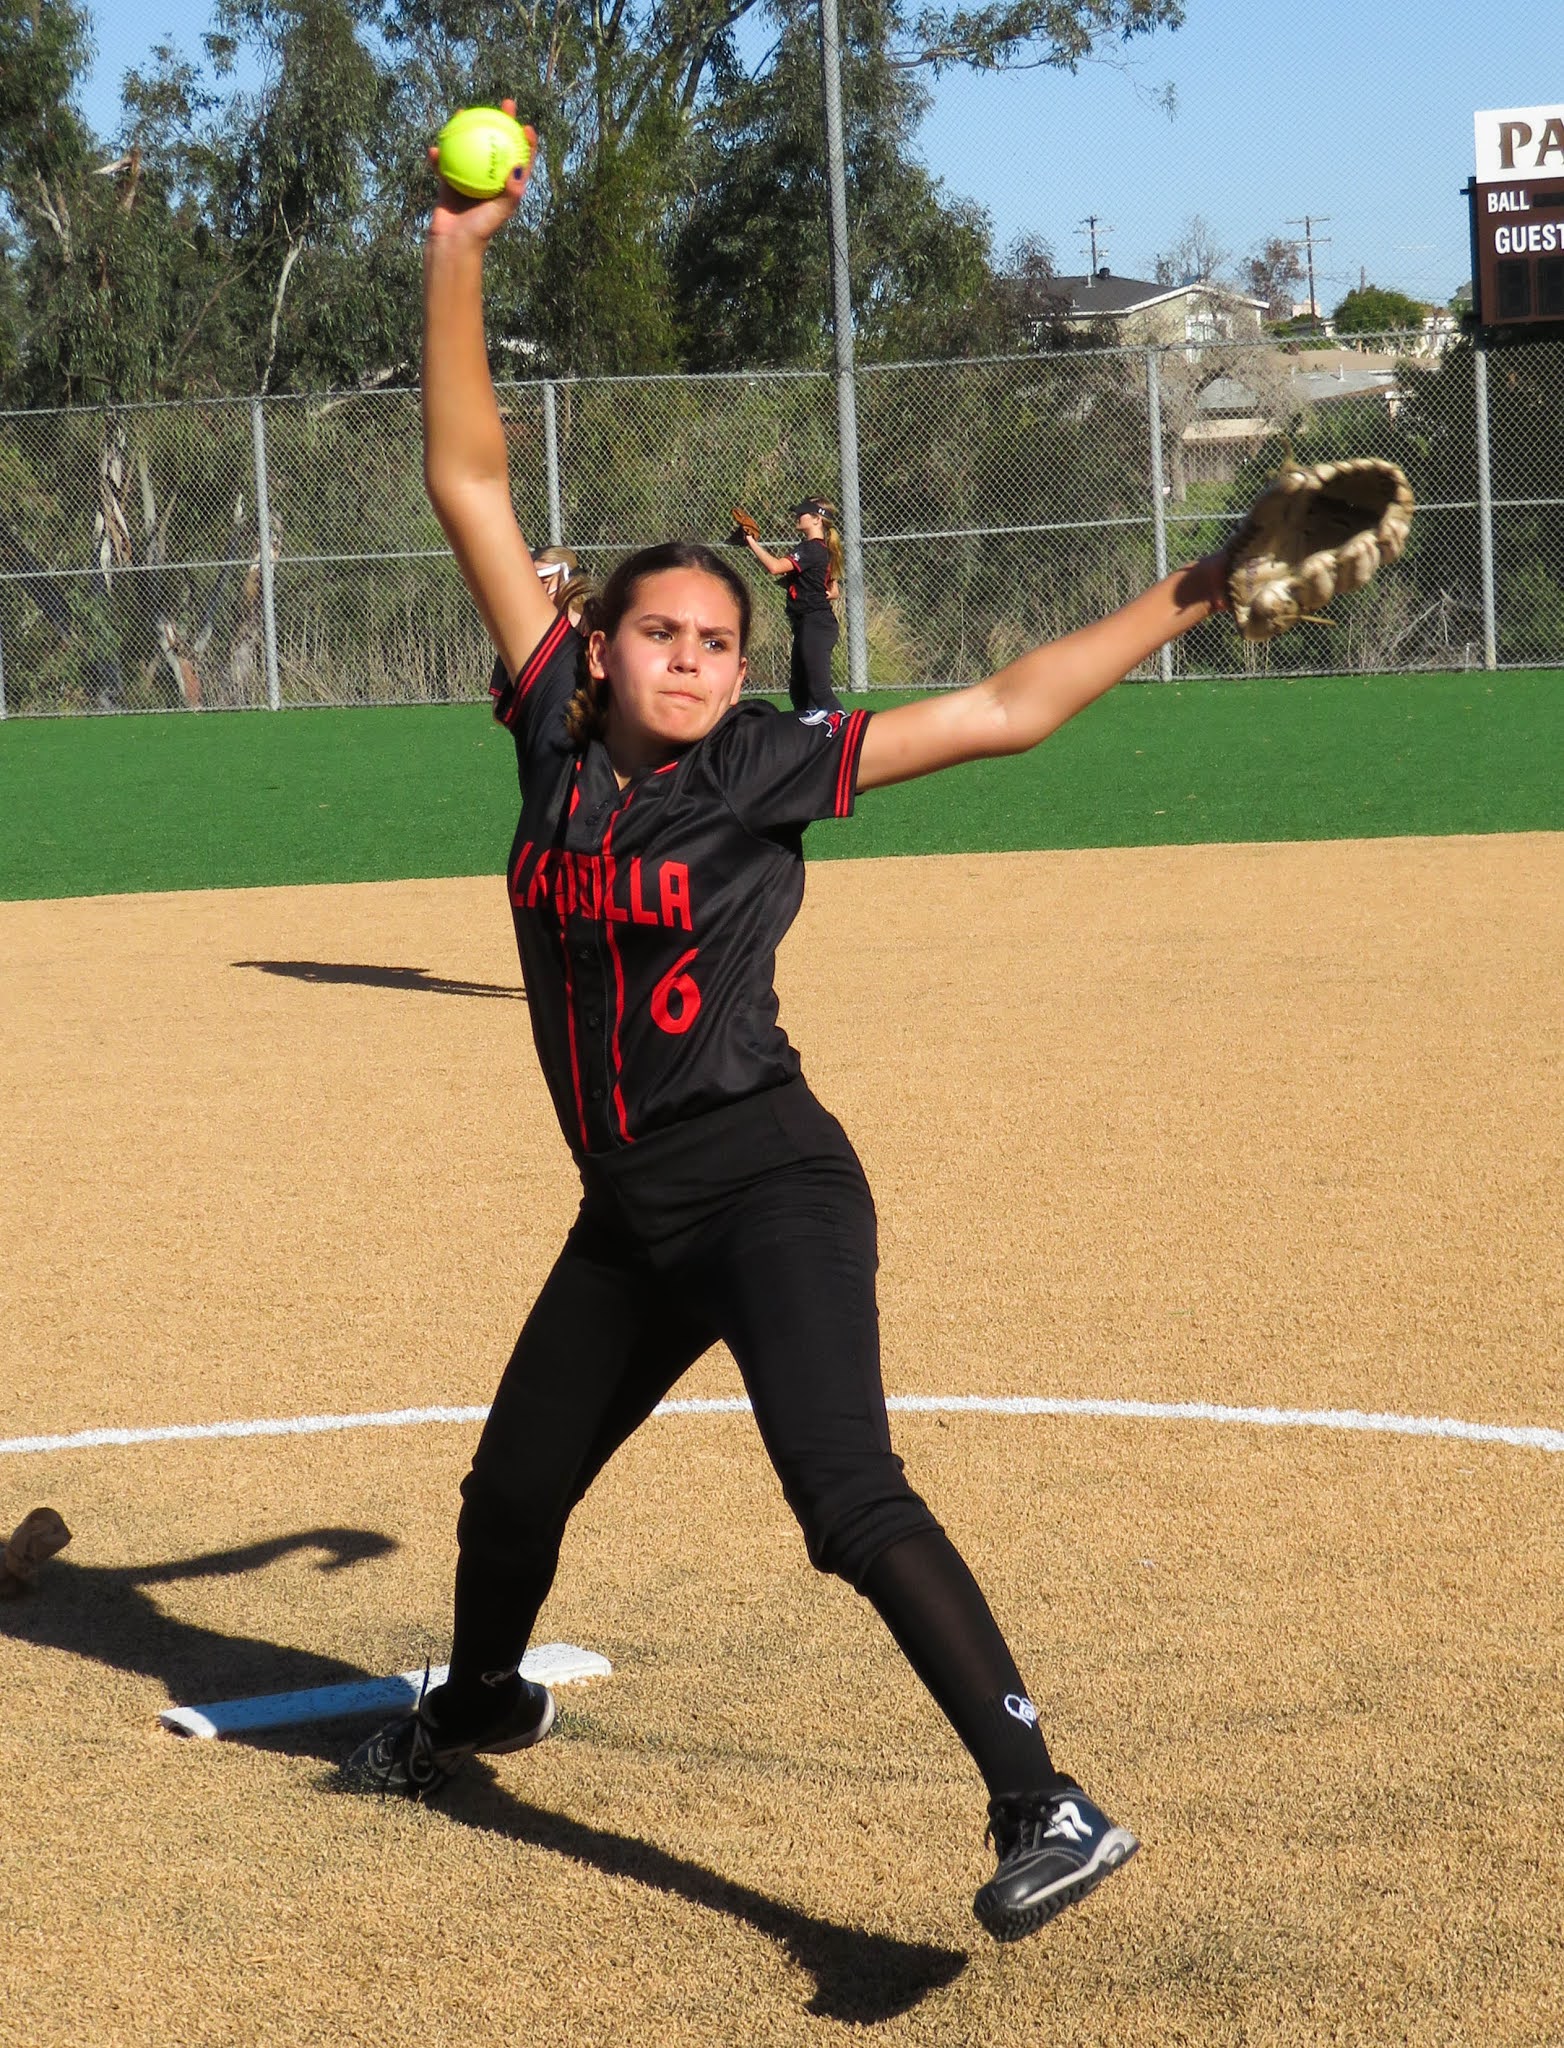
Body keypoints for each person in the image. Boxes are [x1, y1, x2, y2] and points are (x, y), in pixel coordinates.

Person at [344, 107, 1233, 1946]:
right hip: (627, 1208)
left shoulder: (760, 768)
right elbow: (467, 480)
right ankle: (484, 1699)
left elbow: (995, 708)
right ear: (592, 648)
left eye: (718, 641)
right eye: (660, 631)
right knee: (506, 1492)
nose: (691, 657)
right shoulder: (545, 731)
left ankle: (1044, 1799)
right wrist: (454, 246)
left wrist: (1188, 591)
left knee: (839, 1491)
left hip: (763, 1178)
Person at [738, 499, 844, 716]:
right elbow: (834, 591)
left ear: (816, 519)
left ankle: (847, 736)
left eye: (802, 513)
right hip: (810, 624)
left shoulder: (811, 548)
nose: (797, 516)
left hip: (816, 624)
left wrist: (751, 542)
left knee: (819, 690)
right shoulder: (821, 549)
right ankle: (809, 737)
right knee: (799, 691)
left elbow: (775, 567)